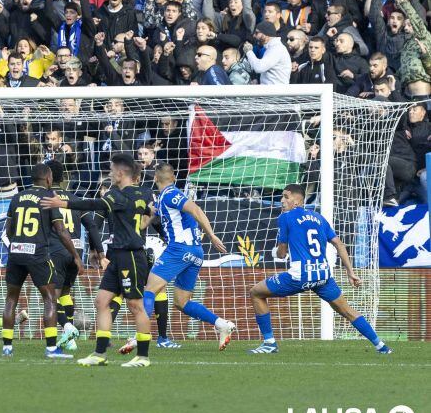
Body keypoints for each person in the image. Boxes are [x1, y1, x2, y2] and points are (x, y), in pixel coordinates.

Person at [248, 184, 392, 355]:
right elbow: (339, 244)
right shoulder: (319, 217)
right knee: (347, 310)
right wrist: (350, 272)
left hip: (300, 275)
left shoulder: (286, 217)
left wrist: (276, 252)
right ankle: (381, 346)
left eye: (286, 197)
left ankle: (269, 343)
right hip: (323, 275)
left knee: (256, 292)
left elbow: (281, 253)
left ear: (297, 201)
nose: (282, 200)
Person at [41, 154, 154, 368]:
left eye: (112, 169)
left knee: (135, 305)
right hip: (117, 255)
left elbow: (94, 203)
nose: (110, 173)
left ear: (121, 173)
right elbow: (152, 212)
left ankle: (143, 356)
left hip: (130, 256)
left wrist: (62, 202)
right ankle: (100, 353)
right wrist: (140, 226)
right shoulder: (144, 192)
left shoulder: (117, 195)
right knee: (101, 301)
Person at [142, 163, 237, 350]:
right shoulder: (161, 200)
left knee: (150, 290)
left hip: (179, 249)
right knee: (181, 302)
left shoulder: (171, 194)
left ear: (155, 178)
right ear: (174, 177)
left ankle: (140, 337)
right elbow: (143, 224)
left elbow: (196, 210)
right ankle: (221, 325)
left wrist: (211, 234)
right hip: (195, 253)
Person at [2, 163, 75, 359]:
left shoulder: (17, 197)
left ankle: (7, 347)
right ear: (49, 179)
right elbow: (61, 230)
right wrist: (76, 255)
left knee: (11, 299)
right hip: (37, 254)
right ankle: (51, 348)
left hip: (16, 253)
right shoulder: (49, 197)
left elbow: (8, 230)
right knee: (50, 299)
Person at [46, 160, 103, 351]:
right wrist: (98, 251)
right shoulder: (74, 199)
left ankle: (67, 327)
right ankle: (69, 339)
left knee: (51, 298)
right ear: (63, 178)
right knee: (65, 294)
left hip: (56, 250)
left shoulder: (46, 200)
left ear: (48, 177)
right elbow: (92, 225)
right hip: (76, 252)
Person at [243, 20, 291, 85]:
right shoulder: (272, 47)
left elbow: (259, 68)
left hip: (276, 93)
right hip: (271, 92)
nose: (254, 35)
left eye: (257, 33)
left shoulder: (277, 49)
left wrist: (249, 51)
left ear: (266, 34)